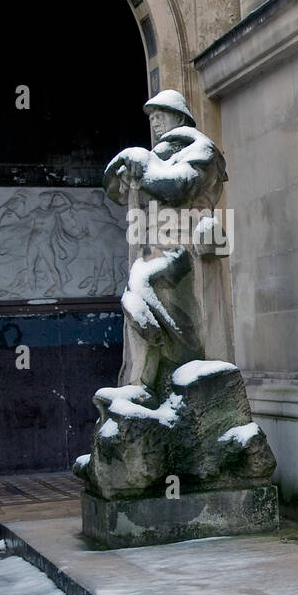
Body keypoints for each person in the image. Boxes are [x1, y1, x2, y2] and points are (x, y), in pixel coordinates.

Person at [102, 89, 231, 392]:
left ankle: (161, 377)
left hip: (189, 250)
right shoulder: (156, 156)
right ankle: (145, 383)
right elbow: (116, 190)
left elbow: (178, 186)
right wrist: (126, 162)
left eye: (161, 114)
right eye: (152, 117)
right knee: (137, 297)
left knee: (143, 289)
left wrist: (141, 164)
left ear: (179, 116)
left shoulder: (202, 151)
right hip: (157, 247)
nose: (156, 122)